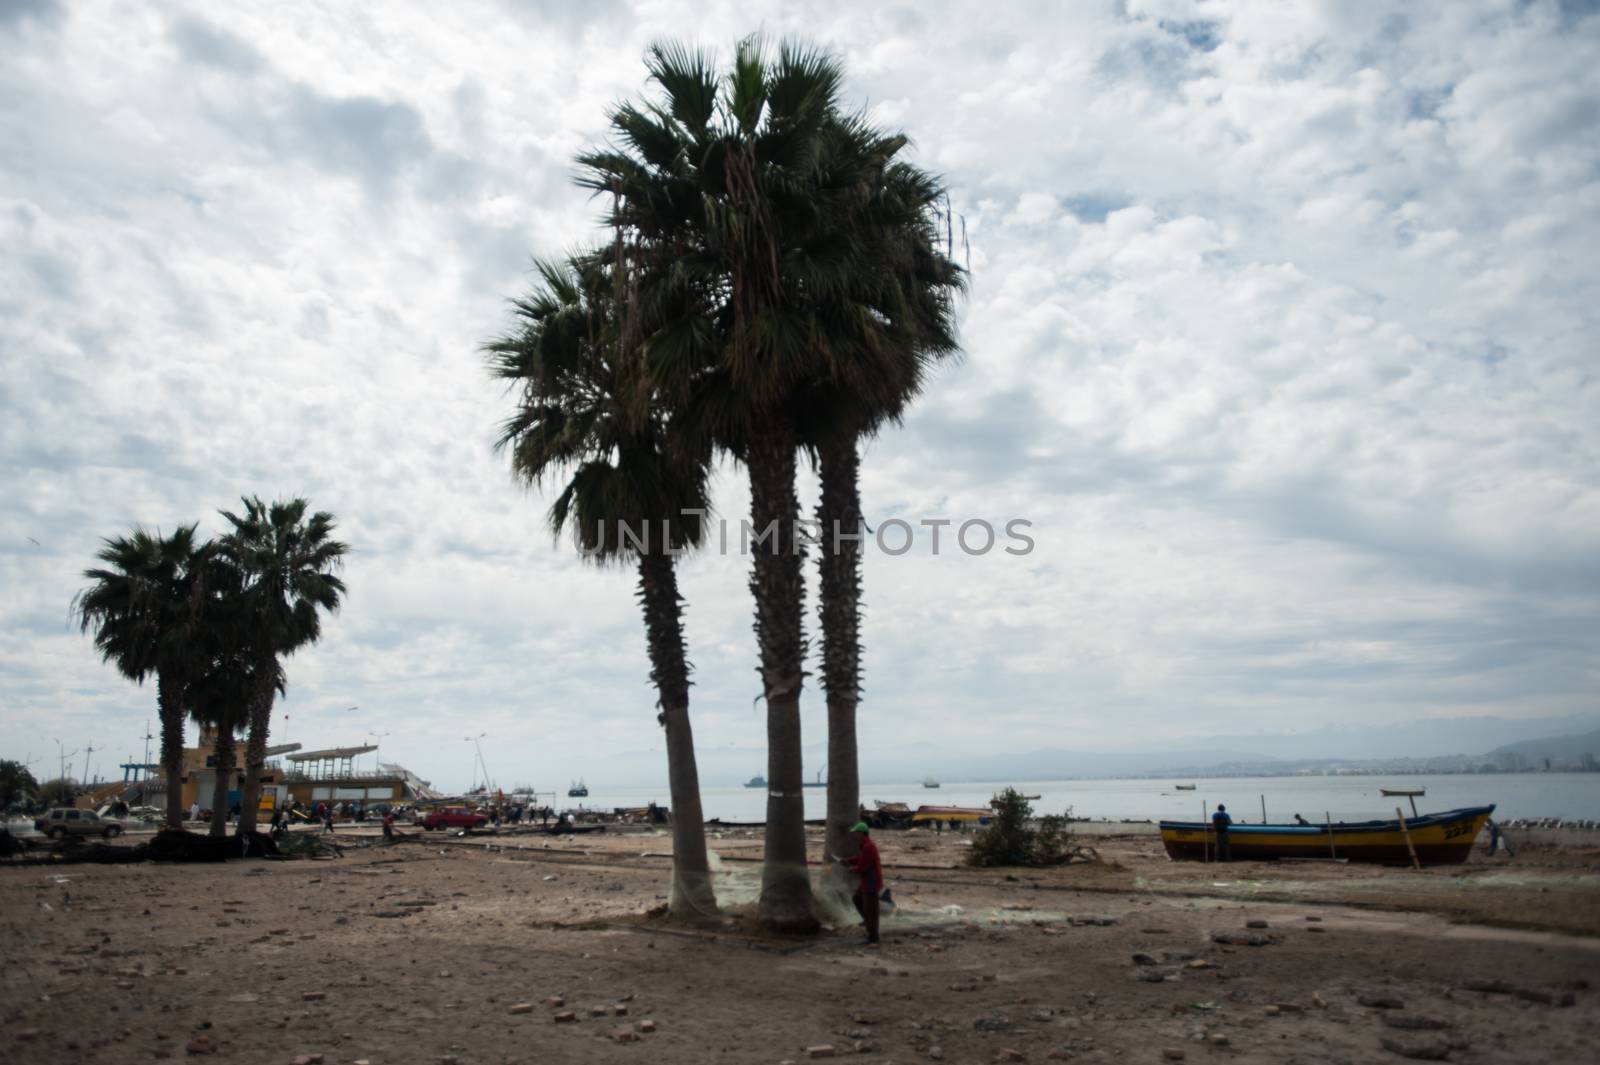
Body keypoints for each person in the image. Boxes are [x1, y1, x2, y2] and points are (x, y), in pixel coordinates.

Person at [845, 821, 883, 945]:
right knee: (857, 899)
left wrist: (852, 868)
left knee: (871, 910)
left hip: (871, 883)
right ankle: (867, 922)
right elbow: (861, 860)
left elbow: (862, 866)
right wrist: (848, 861)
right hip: (866, 881)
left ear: (862, 833)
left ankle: (873, 938)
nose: (855, 835)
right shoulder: (865, 845)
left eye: (856, 833)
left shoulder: (868, 847)